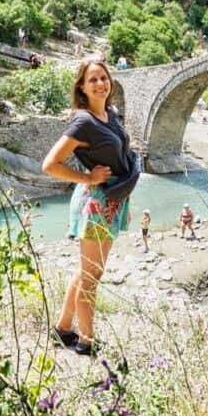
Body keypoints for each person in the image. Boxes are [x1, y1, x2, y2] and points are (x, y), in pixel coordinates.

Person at [42, 60, 140, 356]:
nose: (100, 83)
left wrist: (125, 199)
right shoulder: (83, 122)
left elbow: (122, 158)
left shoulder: (111, 114)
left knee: (87, 271)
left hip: (112, 200)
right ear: (82, 88)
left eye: (104, 78)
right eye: (93, 79)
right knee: (92, 276)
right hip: (96, 202)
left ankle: (62, 328)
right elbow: (49, 165)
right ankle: (86, 341)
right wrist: (88, 177)